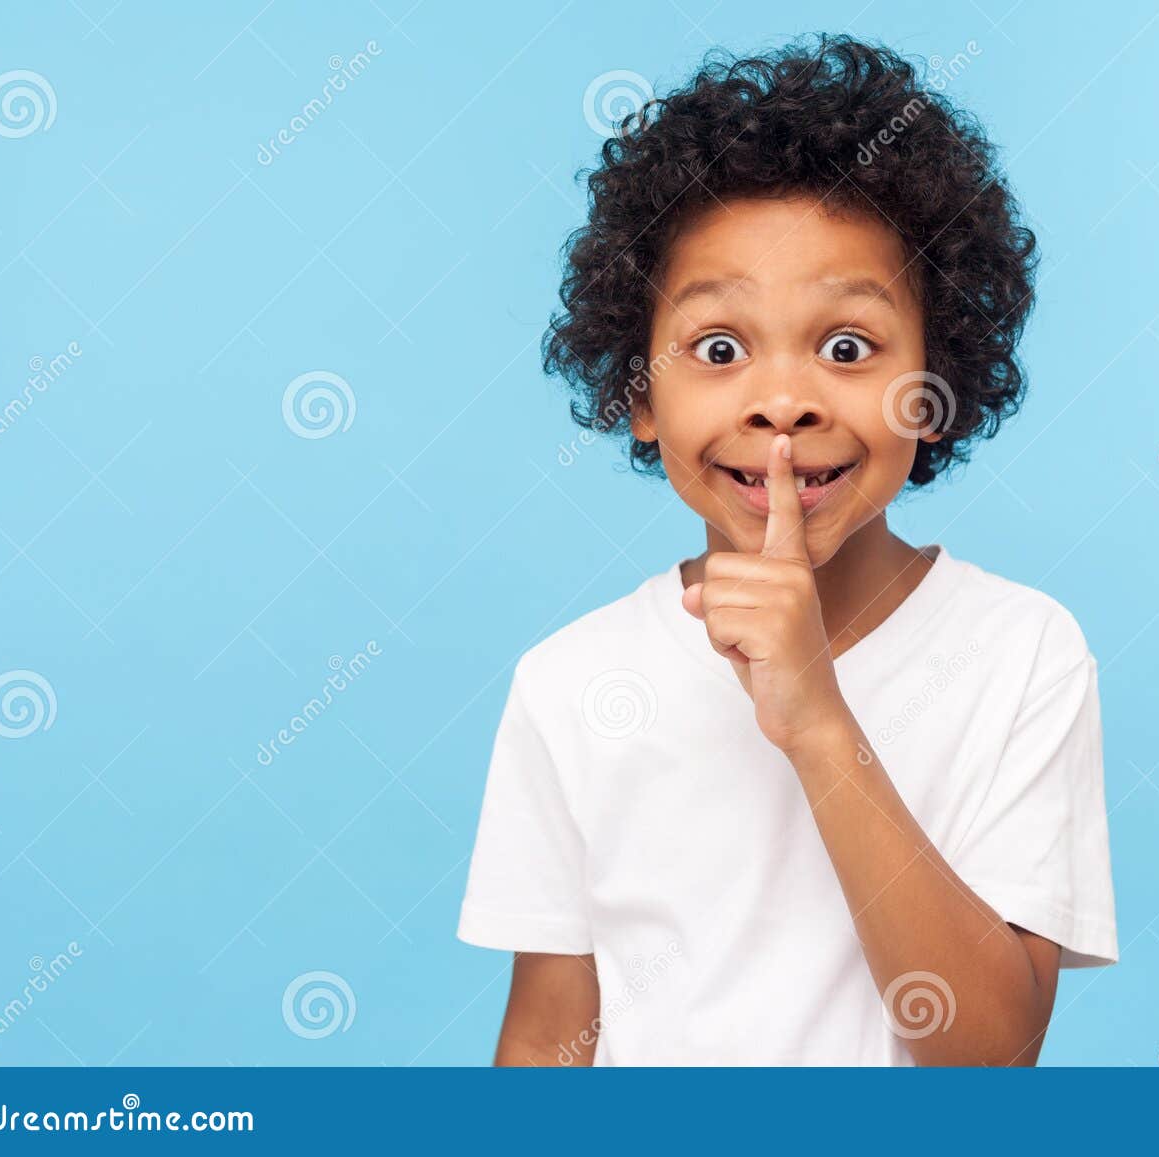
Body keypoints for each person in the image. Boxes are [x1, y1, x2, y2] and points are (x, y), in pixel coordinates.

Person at [457, 34, 1117, 1066]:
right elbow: (548, 1038)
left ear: (934, 385)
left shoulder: (1019, 651)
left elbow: (987, 1055)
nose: (782, 400)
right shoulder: (570, 681)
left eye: (847, 347)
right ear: (637, 391)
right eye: (718, 348)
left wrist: (815, 716)